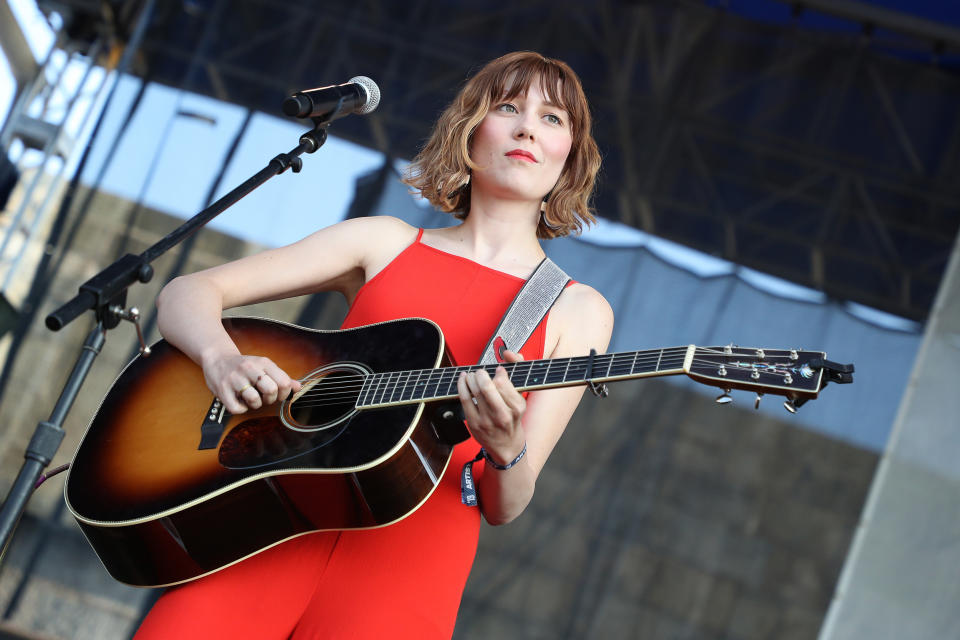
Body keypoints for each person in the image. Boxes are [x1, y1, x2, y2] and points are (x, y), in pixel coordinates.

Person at [135, 51, 613, 639]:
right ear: (470, 128)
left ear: (570, 158)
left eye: (553, 119)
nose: (527, 129)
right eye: (508, 107)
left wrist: (505, 446)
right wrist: (221, 357)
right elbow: (189, 291)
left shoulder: (577, 309)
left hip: (409, 571)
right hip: (275, 527)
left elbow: (505, 504)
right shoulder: (381, 242)